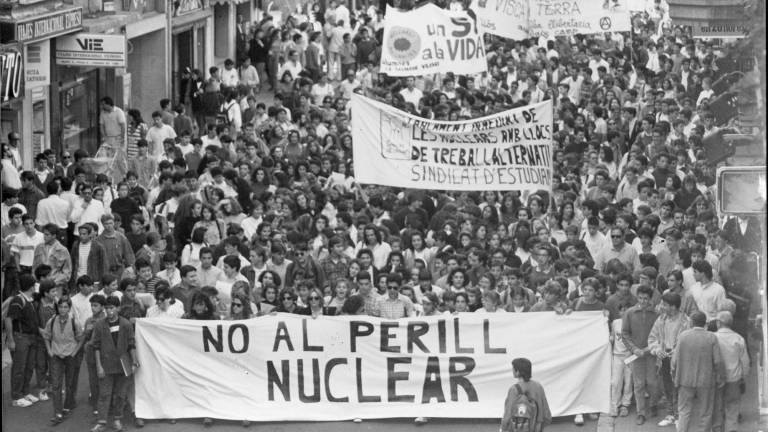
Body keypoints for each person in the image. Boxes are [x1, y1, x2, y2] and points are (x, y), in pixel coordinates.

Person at [90, 296, 139, 432]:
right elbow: (96, 347)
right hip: (106, 365)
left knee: (120, 394)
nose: (109, 311)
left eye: (112, 308)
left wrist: (134, 362)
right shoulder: (100, 325)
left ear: (118, 308)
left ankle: (117, 419)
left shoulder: (126, 324)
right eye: (107, 308)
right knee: (104, 394)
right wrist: (99, 366)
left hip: (123, 364)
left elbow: (131, 344)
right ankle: (102, 421)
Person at [672, 311, 723, 432]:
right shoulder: (711, 337)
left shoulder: (683, 336)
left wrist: (674, 375)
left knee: (684, 412)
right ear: (705, 323)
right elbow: (717, 361)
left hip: (685, 380)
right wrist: (720, 377)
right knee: (705, 413)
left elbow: (674, 361)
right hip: (706, 381)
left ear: (691, 322)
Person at [648, 292, 690, 427]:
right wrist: (657, 350)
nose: (661, 307)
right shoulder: (661, 320)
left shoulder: (686, 322)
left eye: (664, 304)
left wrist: (676, 352)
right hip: (664, 359)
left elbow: (689, 343)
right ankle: (671, 414)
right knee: (667, 387)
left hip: (680, 361)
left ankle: (679, 416)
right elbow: (652, 338)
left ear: (673, 307)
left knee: (680, 388)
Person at [621, 284, 659, 425]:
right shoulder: (630, 313)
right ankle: (641, 412)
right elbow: (625, 334)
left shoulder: (656, 314)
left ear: (650, 299)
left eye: (646, 299)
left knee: (653, 382)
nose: (643, 301)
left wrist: (649, 349)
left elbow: (660, 334)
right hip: (636, 355)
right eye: (641, 298)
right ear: (637, 297)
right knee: (638, 384)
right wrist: (634, 349)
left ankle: (654, 404)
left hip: (652, 353)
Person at [42, 295, 83, 425]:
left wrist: (75, 352)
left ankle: (67, 404)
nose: (62, 309)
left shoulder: (74, 322)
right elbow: (46, 336)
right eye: (60, 306)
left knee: (69, 384)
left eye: (65, 307)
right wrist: (49, 350)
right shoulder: (52, 320)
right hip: (56, 356)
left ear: (69, 309)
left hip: (70, 356)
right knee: (56, 385)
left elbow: (81, 338)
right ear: (58, 307)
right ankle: (58, 412)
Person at [5, 274, 41, 408]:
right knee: (19, 368)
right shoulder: (18, 300)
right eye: (34, 284)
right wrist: (11, 340)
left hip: (31, 338)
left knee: (29, 366)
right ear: (31, 286)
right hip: (21, 337)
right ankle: (16, 397)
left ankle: (25, 392)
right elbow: (8, 319)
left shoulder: (30, 299)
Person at [713, 311, 749, 432]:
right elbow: (745, 362)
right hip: (734, 379)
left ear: (719, 323)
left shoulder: (713, 338)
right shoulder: (738, 339)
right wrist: (743, 377)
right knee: (732, 409)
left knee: (717, 409)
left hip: (716, 380)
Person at [501, 357, 552, 432]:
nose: (512, 371)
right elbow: (546, 412)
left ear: (517, 372)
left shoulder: (514, 389)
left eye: (513, 369)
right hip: (537, 427)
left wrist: (503, 428)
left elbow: (508, 413)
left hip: (519, 427)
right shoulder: (538, 386)